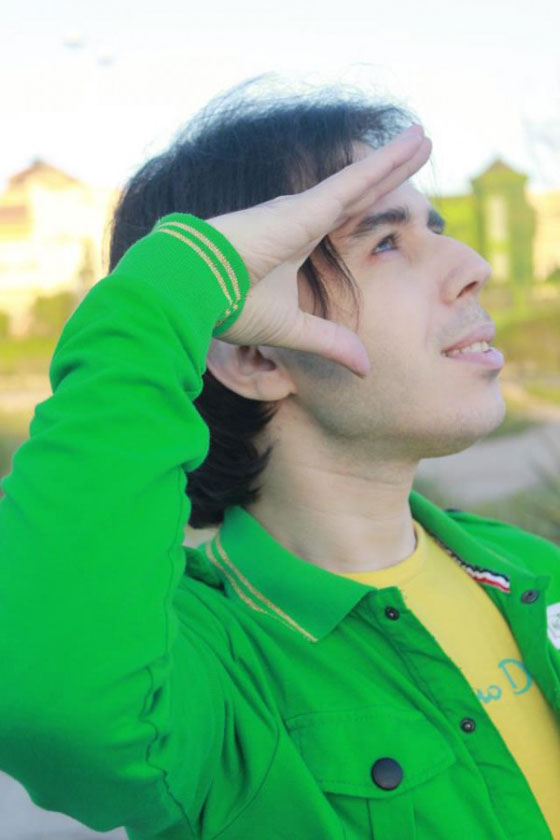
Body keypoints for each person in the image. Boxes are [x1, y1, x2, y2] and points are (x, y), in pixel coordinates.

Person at [0, 78, 559, 840]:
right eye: (385, 242)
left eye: (437, 229)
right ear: (257, 353)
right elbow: (55, 709)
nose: (472, 265)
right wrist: (171, 292)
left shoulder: (531, 573)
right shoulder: (209, 659)